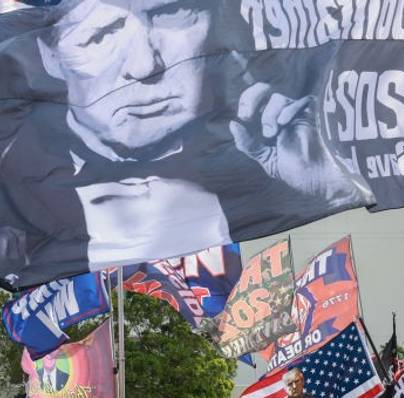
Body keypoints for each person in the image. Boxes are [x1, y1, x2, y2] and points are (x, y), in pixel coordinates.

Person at [32, 0, 372, 266]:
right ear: (51, 57)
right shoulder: (27, 195)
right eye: (100, 34)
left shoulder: (275, 144)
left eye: (171, 11)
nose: (145, 66)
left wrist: (334, 185)